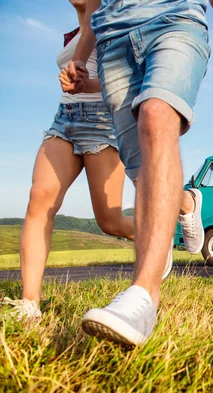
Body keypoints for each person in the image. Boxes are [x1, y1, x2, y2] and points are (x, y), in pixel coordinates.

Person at [61, 0, 213, 345]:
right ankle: (186, 202)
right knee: (141, 173)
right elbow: (93, 8)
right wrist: (80, 55)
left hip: (175, 19)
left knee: (156, 114)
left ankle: (143, 294)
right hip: (111, 40)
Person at [0, 0, 174, 320]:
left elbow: (133, 77)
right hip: (64, 119)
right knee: (39, 200)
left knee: (108, 221)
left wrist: (89, 84)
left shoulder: (113, 19)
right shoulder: (74, 33)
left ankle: (157, 237)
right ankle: (29, 304)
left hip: (102, 122)